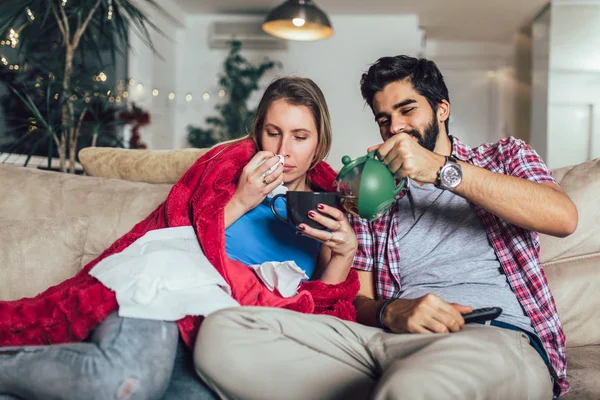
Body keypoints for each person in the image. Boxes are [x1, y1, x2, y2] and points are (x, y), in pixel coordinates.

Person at [193, 56, 578, 400]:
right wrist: (391, 312)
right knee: (223, 335)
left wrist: (441, 171)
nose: (395, 127)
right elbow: (354, 300)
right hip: (386, 342)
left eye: (407, 110)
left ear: (442, 109)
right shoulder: (369, 192)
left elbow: (562, 217)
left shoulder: (504, 157)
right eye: (383, 119)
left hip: (485, 335)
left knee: (416, 386)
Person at [0, 76, 358, 400]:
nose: (284, 149)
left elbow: (320, 311)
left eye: (300, 137)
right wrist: (240, 201)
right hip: (161, 292)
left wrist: (343, 254)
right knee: (124, 381)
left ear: (319, 143)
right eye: (273, 132)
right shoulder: (229, 172)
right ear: (258, 133)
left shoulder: (326, 205)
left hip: (222, 336)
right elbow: (174, 233)